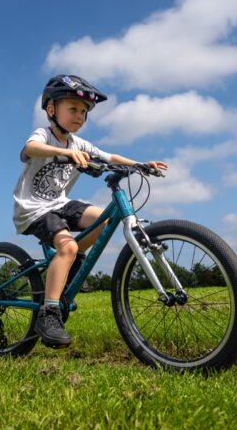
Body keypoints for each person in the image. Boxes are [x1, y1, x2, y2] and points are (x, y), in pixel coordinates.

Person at [13, 74, 169, 348]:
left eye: (84, 112)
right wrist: (64, 154)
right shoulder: (44, 135)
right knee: (68, 247)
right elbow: (30, 149)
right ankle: (48, 313)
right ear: (52, 110)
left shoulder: (79, 143)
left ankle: (69, 261)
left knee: (103, 218)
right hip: (34, 209)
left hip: (60, 203)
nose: (79, 116)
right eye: (72, 109)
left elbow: (110, 157)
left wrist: (140, 165)